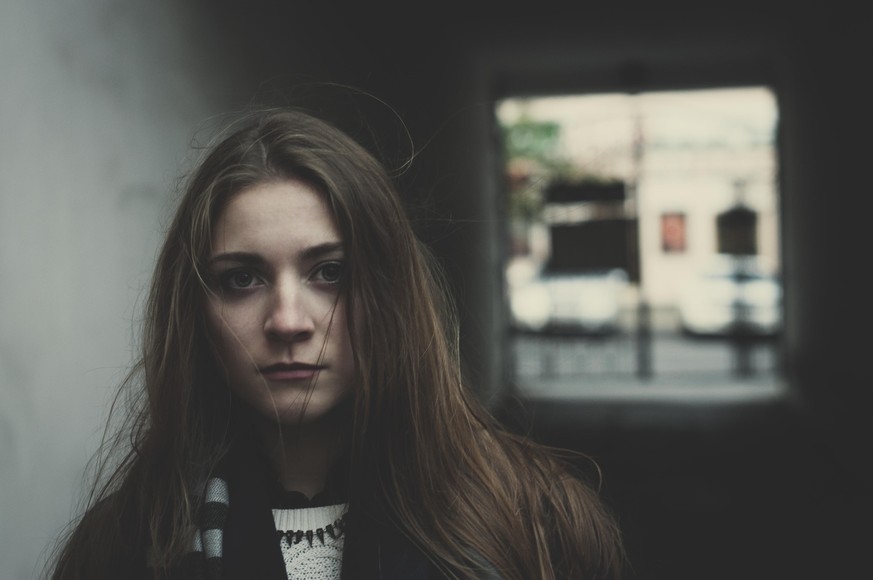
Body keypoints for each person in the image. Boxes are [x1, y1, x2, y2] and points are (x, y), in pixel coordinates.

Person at [48, 107, 625, 579]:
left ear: (389, 292)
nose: (289, 321)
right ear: (196, 312)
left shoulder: (538, 525)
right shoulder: (123, 547)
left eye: (329, 272)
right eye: (241, 279)